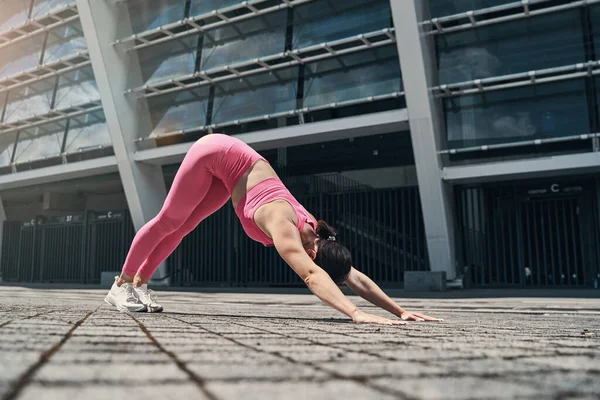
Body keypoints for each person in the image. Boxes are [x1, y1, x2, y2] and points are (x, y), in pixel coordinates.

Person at [105, 134, 441, 324]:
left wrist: (399, 311)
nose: (311, 258)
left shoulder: (320, 236)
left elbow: (354, 275)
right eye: (312, 258)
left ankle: (141, 284)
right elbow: (312, 275)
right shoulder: (284, 224)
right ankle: (121, 284)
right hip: (215, 152)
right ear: (313, 252)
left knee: (184, 227)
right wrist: (355, 314)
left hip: (234, 171)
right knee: (170, 220)